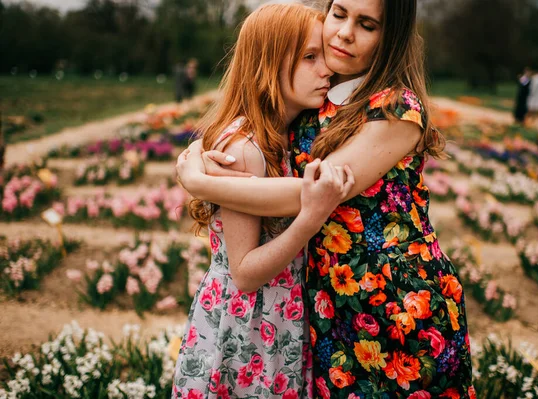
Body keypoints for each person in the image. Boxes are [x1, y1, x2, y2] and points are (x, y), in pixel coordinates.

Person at [177, 0, 476, 397]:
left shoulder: (394, 109)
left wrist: (198, 181)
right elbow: (250, 119)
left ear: (391, 37)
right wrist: (197, 151)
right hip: (327, 306)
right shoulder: (317, 99)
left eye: (367, 24)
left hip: (396, 305)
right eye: (339, 14)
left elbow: (313, 192)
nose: (345, 33)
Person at [171, 4, 353, 398]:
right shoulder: (245, 147)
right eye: (309, 57)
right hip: (245, 333)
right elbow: (245, 272)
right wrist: (310, 219)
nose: (327, 70)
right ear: (268, 63)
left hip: (274, 322)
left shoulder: (281, 135)